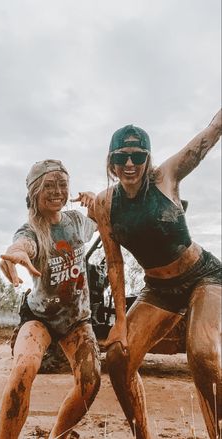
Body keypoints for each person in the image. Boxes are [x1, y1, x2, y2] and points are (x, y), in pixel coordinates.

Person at [95, 110, 222, 439]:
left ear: (147, 158)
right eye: (121, 157)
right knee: (117, 359)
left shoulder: (166, 177)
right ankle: (142, 435)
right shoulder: (105, 204)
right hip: (158, 291)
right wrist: (120, 321)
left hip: (202, 277)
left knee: (204, 353)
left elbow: (208, 135)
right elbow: (114, 263)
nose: (129, 164)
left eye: (137, 156)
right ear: (111, 161)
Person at [0, 159, 101, 439]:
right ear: (34, 192)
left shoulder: (77, 222)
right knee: (23, 369)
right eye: (49, 185)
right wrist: (18, 252)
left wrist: (96, 202)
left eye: (62, 185)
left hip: (77, 320)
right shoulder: (31, 228)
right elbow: (23, 243)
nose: (57, 191)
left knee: (90, 382)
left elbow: (102, 217)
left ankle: (58, 435)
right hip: (39, 318)